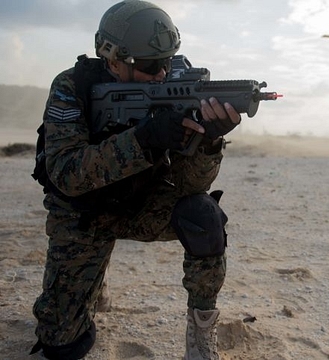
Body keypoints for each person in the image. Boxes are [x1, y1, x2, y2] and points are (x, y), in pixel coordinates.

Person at [30, 1, 238, 359]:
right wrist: (143, 139)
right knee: (62, 344)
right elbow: (65, 174)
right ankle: (89, 288)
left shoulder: (177, 87)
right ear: (113, 60)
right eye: (150, 65)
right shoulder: (72, 87)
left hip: (141, 205)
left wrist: (209, 142)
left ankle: (202, 333)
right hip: (85, 215)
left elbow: (191, 188)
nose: (161, 74)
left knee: (203, 215)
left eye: (167, 61)